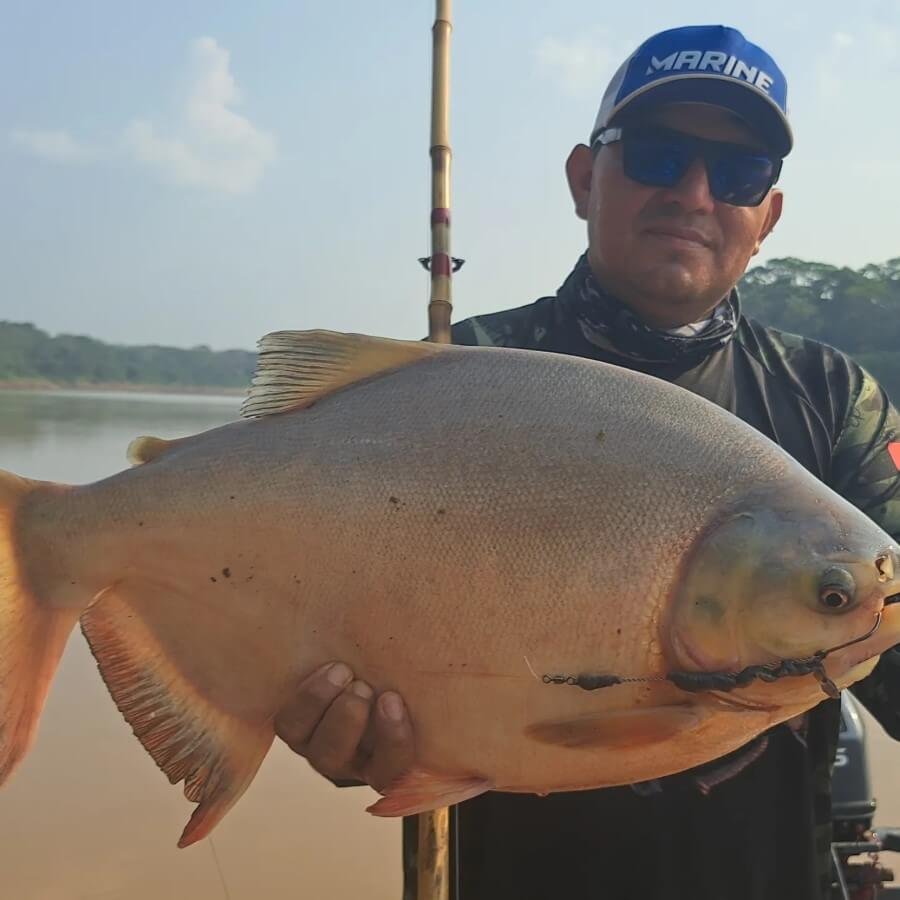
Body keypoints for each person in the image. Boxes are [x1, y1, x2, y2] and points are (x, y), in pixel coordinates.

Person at [273, 25, 900, 900]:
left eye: (739, 172)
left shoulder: (829, 399)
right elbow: (321, 616)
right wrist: (338, 730)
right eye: (656, 152)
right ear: (582, 178)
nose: (693, 192)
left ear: (769, 216)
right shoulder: (463, 372)